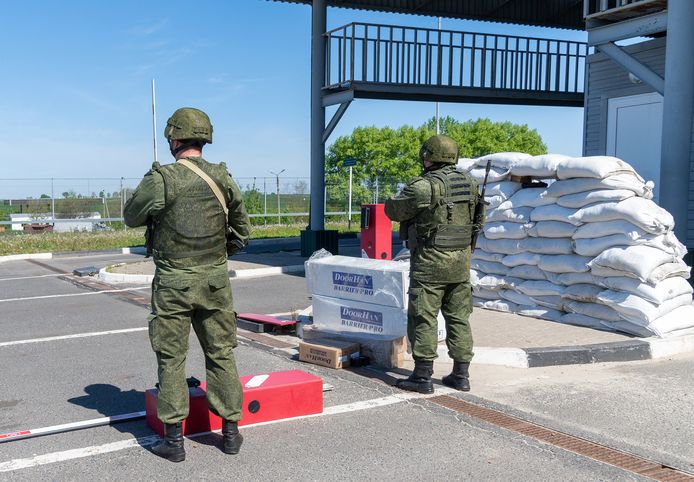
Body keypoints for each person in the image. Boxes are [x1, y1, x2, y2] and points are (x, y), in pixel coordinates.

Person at [124, 107, 250, 462]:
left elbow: (132, 216)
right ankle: (230, 433)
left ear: (174, 139)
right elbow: (243, 229)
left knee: (171, 359)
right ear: (203, 138)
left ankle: (174, 442)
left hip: (173, 284)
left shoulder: (163, 179)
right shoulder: (223, 177)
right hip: (214, 282)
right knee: (222, 353)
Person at [384, 134, 480, 394]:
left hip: (429, 265)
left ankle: (422, 377)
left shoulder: (423, 186)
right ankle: (461, 375)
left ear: (428, 156)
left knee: (423, 318)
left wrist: (394, 198)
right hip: (461, 264)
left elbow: (393, 211)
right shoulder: (470, 184)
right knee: (459, 318)